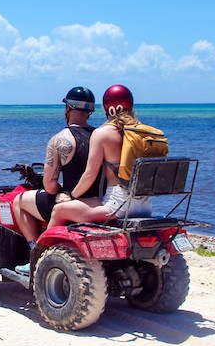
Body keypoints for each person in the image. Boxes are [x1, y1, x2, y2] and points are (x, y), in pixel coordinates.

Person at [13, 86, 101, 274]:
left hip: (72, 202)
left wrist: (63, 190)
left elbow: (50, 187)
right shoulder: (101, 137)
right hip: (98, 203)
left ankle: (35, 252)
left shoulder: (60, 140)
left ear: (68, 108)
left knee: (18, 201)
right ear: (90, 111)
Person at [47, 84, 152, 228]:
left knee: (59, 210)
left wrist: (71, 196)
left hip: (117, 205)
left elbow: (90, 174)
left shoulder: (102, 133)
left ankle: (43, 250)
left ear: (106, 107)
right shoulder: (140, 133)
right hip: (145, 205)